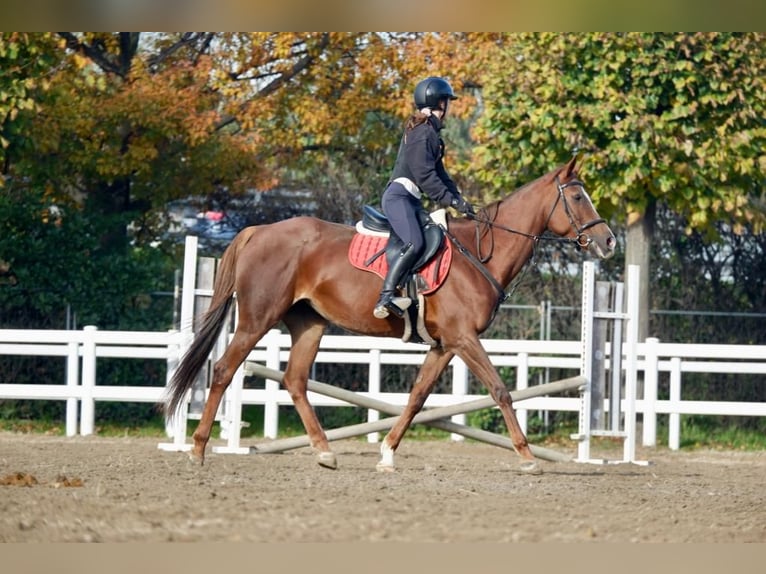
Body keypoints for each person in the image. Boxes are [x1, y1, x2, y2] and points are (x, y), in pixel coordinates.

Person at [373, 76, 475, 320]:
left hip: (411, 199)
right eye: (447, 101)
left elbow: (441, 174)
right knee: (415, 243)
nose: (448, 107)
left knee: (437, 235)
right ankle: (386, 296)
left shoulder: (432, 135)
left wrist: (460, 200)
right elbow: (426, 176)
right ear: (440, 103)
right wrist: (449, 200)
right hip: (399, 197)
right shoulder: (422, 133)